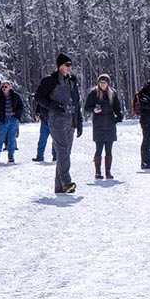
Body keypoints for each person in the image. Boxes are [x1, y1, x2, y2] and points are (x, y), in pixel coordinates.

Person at [34, 53, 83, 194]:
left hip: (70, 119)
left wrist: (79, 121)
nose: (69, 67)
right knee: (62, 150)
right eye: (67, 65)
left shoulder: (73, 80)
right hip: (56, 119)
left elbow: (77, 101)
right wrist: (53, 106)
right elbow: (38, 97)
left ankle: (59, 187)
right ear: (60, 66)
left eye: (70, 65)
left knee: (66, 152)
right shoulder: (50, 80)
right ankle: (67, 182)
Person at [84, 74, 124, 180]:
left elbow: (117, 108)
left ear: (108, 83)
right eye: (101, 82)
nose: (103, 84)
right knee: (98, 149)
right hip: (98, 125)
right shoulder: (93, 93)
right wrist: (93, 110)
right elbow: (86, 108)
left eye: (105, 82)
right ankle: (97, 172)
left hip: (110, 124)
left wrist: (119, 116)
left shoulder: (113, 93)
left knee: (109, 150)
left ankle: (108, 171)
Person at [0, 80, 24, 163]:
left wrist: (17, 115)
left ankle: (11, 156)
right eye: (3, 87)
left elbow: (21, 106)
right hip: (3, 120)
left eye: (6, 86)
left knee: (12, 138)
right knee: (1, 138)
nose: (4, 88)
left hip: (13, 119)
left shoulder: (15, 96)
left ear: (10, 87)